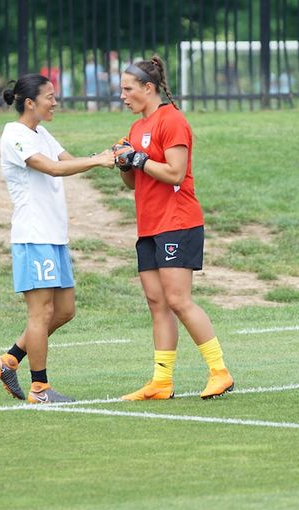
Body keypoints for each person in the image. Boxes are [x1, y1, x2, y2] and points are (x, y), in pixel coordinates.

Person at [113, 54, 235, 401]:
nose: (122, 96)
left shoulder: (172, 120)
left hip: (178, 223)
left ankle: (219, 371)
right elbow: (132, 185)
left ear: (148, 88)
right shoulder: (137, 128)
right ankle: (161, 382)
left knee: (179, 300)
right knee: (157, 302)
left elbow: (175, 173)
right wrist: (125, 161)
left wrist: (140, 159)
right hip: (150, 226)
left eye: (127, 89)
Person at [0, 73, 115, 403]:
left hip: (55, 236)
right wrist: (98, 161)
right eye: (49, 96)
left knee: (65, 310)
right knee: (40, 314)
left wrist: (105, 157)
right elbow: (52, 169)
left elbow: (67, 161)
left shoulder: (41, 132)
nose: (55, 101)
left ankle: (10, 359)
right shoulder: (14, 135)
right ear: (30, 103)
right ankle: (40, 389)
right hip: (34, 236)